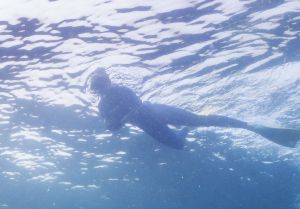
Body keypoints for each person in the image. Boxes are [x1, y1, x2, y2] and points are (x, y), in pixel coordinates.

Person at [88, 67, 300, 149]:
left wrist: (128, 114)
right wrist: (122, 120)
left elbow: (135, 100)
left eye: (105, 83)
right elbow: (111, 128)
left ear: (107, 82)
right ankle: (191, 126)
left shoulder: (121, 89)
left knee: (200, 120)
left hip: (156, 111)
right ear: (97, 89)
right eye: (101, 87)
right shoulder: (102, 105)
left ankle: (249, 126)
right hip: (149, 125)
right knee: (179, 144)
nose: (105, 88)